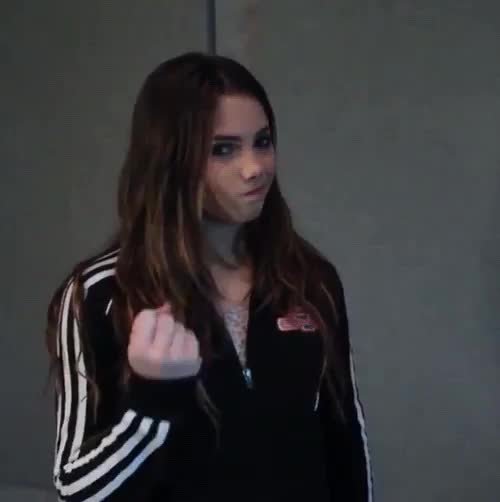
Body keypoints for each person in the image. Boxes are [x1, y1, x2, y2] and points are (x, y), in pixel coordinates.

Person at [46, 52, 373, 502]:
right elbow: (77, 488)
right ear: (171, 161)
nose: (254, 167)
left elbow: (345, 441)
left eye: (262, 141)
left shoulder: (309, 280)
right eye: (223, 149)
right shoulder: (101, 295)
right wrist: (153, 401)